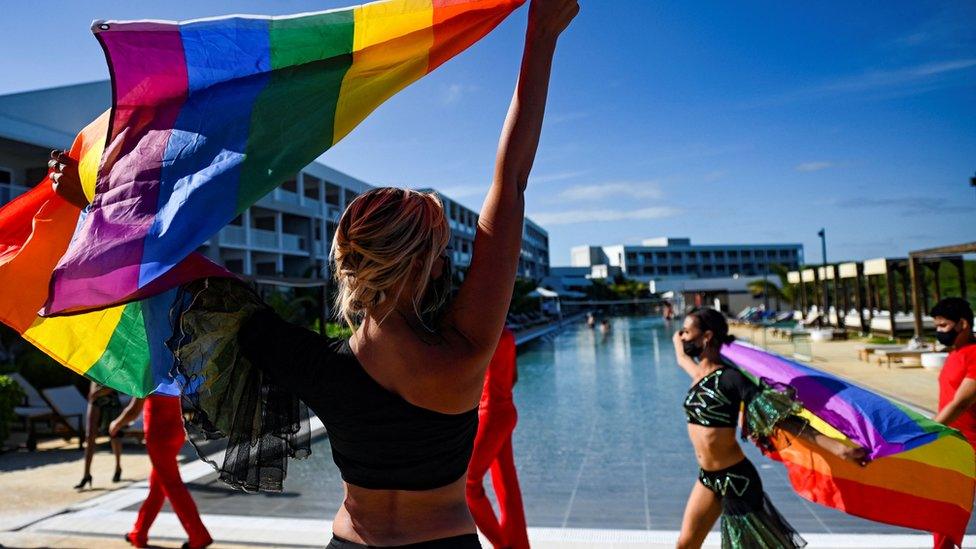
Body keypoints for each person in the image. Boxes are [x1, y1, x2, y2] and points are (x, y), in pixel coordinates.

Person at [163, 2, 578, 547]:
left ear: (349, 260)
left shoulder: (313, 363)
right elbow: (513, 178)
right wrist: (540, 36)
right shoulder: (464, 348)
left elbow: (183, 274)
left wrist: (94, 205)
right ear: (426, 262)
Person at [673, 308, 867, 549]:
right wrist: (679, 337)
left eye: (687, 332)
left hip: (737, 480)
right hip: (708, 477)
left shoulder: (732, 379)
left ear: (707, 336)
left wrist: (839, 448)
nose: (682, 337)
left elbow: (780, 419)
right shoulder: (698, 374)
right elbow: (681, 357)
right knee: (685, 544)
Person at [110, 396, 213, 549]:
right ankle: (138, 533)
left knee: (173, 486)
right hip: (176, 430)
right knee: (157, 487)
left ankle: (199, 536)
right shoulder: (170, 370)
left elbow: (134, 410)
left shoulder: (147, 373)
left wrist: (116, 424)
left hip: (158, 434)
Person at [467, 329, 529, 549]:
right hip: (506, 411)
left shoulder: (480, 334)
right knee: (506, 482)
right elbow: (513, 377)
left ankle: (502, 545)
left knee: (468, 484)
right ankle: (519, 545)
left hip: (491, 414)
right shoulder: (507, 334)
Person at [931, 297, 976, 549]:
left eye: (944, 326)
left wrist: (927, 430)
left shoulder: (974, 355)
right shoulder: (955, 354)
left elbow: (961, 402)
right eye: (936, 326)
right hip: (952, 444)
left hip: (972, 447)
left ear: (963, 324)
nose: (939, 332)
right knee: (944, 508)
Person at [74, 381, 124, 489]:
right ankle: (86, 474)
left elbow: (116, 381)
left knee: (114, 434)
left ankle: (118, 467)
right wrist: (93, 393)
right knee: (89, 435)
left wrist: (97, 393)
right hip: (95, 397)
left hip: (109, 396)